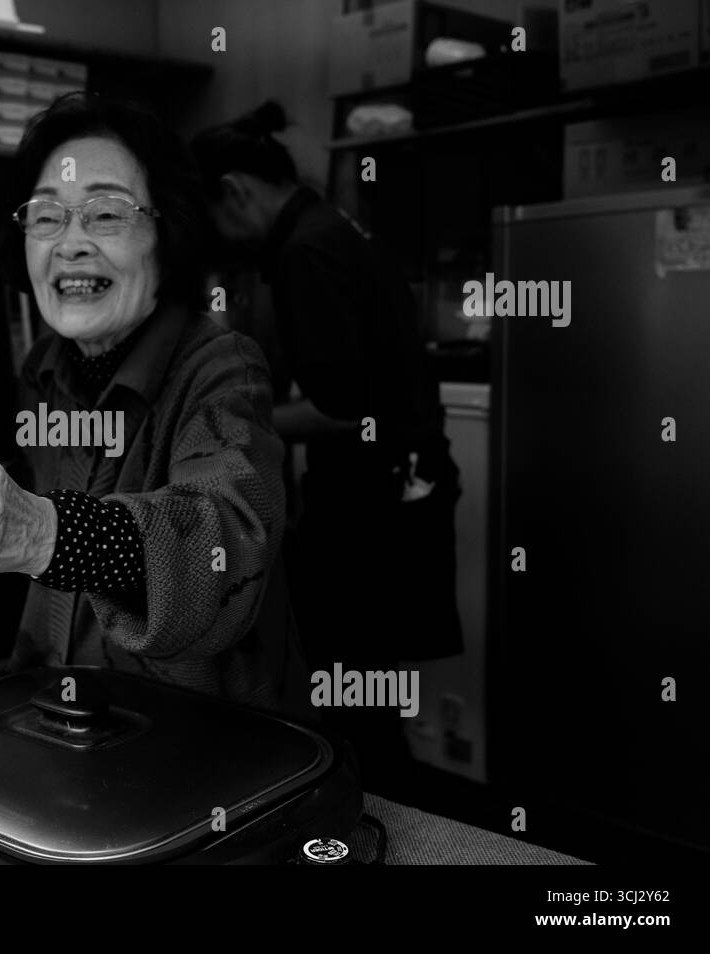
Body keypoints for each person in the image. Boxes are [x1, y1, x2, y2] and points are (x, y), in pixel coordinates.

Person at [0, 92, 313, 719]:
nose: (71, 243)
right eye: (47, 216)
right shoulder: (42, 370)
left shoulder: (222, 367)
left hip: (202, 749)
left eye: (106, 213)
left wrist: (45, 532)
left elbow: (227, 539)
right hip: (67, 727)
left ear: (167, 234)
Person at [192, 101, 462, 795]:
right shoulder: (330, 225)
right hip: (404, 485)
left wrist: (238, 420)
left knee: (352, 691)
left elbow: (342, 407)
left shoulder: (305, 249)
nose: (223, 242)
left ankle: (377, 825)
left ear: (235, 192)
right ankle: (382, 816)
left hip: (378, 502)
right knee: (362, 689)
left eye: (213, 219)